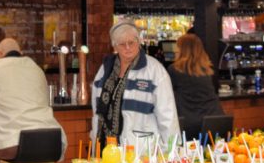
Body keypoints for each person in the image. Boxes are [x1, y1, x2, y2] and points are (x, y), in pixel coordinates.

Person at [91, 22, 179, 151]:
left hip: (141, 151)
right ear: (115, 46)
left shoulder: (155, 70)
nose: (127, 47)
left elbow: (168, 116)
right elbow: (96, 109)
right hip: (105, 147)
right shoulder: (104, 70)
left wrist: (172, 151)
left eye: (131, 42)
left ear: (139, 41)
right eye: (122, 44)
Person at [167, 33, 224, 140]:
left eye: (177, 47)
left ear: (183, 50)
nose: (175, 50)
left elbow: (167, 95)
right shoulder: (208, 70)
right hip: (215, 119)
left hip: (189, 124)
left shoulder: (174, 70)